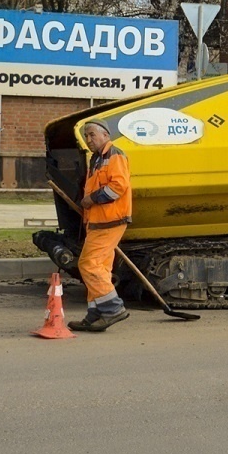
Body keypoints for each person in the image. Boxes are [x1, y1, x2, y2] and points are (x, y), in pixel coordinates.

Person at [69, 120, 132, 332]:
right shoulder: (97, 159)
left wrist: (92, 199)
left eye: (92, 135)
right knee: (100, 269)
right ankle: (95, 314)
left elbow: (118, 187)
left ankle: (113, 309)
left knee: (88, 264)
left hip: (109, 221)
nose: (89, 140)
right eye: (86, 136)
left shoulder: (114, 155)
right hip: (99, 221)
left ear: (105, 135)